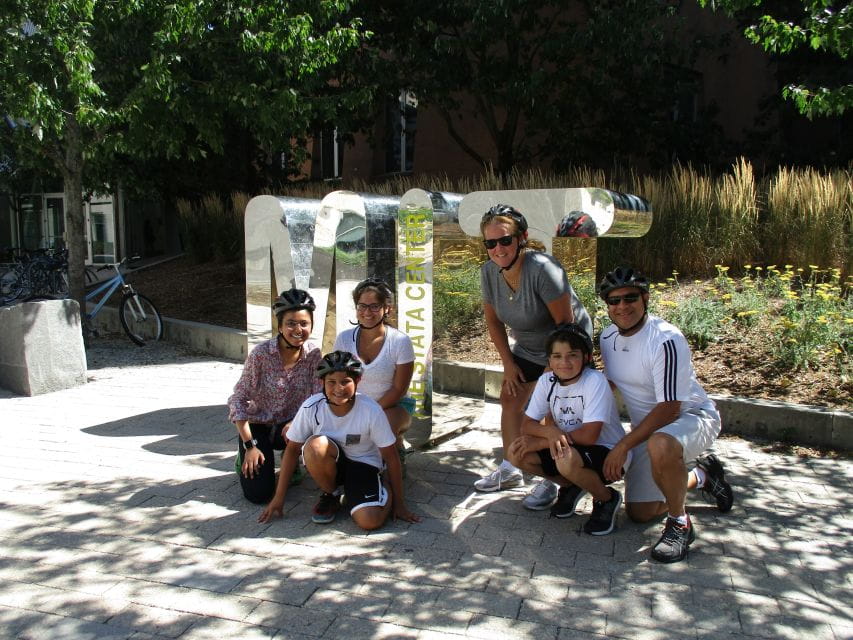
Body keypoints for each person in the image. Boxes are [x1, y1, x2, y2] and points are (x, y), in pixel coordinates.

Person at [598, 266, 734, 563]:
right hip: (649, 430)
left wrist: (623, 445)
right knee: (640, 513)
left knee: (661, 443)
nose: (622, 306)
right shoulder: (607, 337)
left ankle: (679, 523)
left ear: (645, 298)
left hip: (692, 418)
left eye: (630, 298)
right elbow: (611, 383)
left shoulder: (665, 339)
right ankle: (702, 476)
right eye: (614, 300)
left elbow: (670, 407)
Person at [474, 204, 593, 512]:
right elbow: (493, 322)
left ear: (522, 239)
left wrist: (549, 376)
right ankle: (511, 467)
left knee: (551, 409)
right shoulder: (489, 272)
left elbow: (565, 328)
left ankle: (554, 477)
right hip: (528, 346)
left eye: (505, 240)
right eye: (490, 243)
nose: (497, 249)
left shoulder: (543, 269)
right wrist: (509, 364)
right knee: (510, 395)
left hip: (566, 347)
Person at [258, 350, 420, 529]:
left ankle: (382, 487)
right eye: (331, 382)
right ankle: (331, 495)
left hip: (363, 465)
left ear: (357, 381)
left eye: (346, 382)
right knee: (314, 446)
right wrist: (278, 498)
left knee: (370, 522)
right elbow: (292, 451)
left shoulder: (371, 410)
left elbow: (391, 456)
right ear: (322, 383)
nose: (338, 388)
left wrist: (400, 505)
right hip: (331, 462)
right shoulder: (311, 406)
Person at [507, 323, 629, 535]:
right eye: (557, 356)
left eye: (572, 355)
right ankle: (572, 485)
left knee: (564, 458)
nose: (564, 362)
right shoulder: (547, 381)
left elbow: (590, 436)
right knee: (516, 453)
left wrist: (545, 440)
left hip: (608, 452)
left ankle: (606, 499)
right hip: (570, 447)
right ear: (549, 360)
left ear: (587, 357)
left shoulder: (595, 381)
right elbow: (527, 424)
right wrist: (550, 432)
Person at [227, 288, 322, 504]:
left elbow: (318, 397)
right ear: (280, 326)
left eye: (304, 323)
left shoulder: (314, 354)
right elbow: (238, 399)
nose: (298, 329)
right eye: (291, 323)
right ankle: (244, 453)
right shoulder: (261, 355)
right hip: (258, 425)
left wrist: (298, 423)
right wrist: (249, 446)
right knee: (258, 495)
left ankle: (293, 460)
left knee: (310, 427)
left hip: (290, 426)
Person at [333, 277, 415, 453]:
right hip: (354, 405)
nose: (367, 312)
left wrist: (368, 413)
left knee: (381, 429)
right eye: (362, 306)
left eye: (374, 306)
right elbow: (337, 378)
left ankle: (396, 447)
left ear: (387, 309)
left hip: (393, 407)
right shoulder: (344, 339)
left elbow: (399, 389)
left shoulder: (400, 341)